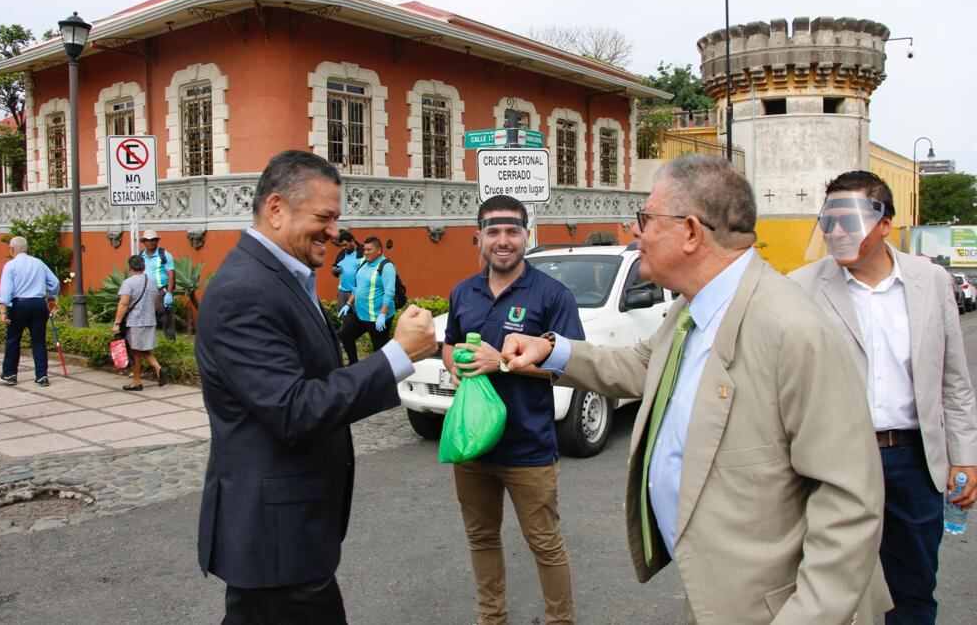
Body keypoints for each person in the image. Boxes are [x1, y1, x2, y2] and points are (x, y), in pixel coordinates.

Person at [502, 155, 891, 623]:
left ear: (689, 232)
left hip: (777, 608)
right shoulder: (693, 308)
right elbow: (647, 364)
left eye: (645, 219)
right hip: (719, 597)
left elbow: (849, 503)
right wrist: (552, 352)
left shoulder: (792, 328)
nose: (633, 232)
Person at [195, 149, 436, 623]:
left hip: (282, 535)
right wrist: (397, 355)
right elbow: (293, 409)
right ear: (277, 209)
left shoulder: (283, 277)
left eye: (336, 218)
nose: (334, 231)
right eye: (324, 217)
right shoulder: (246, 289)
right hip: (275, 537)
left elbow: (315, 380)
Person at [790, 170, 977, 624]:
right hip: (835, 463)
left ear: (884, 223)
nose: (835, 231)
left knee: (913, 590)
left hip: (914, 461)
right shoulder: (800, 287)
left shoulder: (929, 281)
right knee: (828, 590)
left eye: (848, 220)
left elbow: (954, 380)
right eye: (827, 220)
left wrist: (964, 456)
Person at [445, 195, 584, 625]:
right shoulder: (463, 292)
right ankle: (492, 619)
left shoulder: (552, 294)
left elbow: (572, 366)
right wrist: (456, 366)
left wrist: (503, 363)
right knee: (481, 538)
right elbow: (450, 343)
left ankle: (561, 620)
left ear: (527, 236)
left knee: (544, 543)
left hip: (529, 447)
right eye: (493, 232)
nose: (502, 241)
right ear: (479, 239)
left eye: (511, 232)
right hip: (472, 445)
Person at [0, 236, 60, 387]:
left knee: (13, 340)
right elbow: (55, 282)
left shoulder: (10, 266)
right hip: (38, 304)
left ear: (12, 249)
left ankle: (9, 374)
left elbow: (6, 290)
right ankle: (42, 376)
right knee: (38, 341)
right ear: (26, 248)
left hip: (20, 304)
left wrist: (2, 310)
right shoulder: (38, 263)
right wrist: (51, 298)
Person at [112, 254, 167, 391]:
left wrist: (117, 323)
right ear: (143, 267)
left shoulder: (128, 283)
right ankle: (158, 368)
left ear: (129, 267)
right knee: (143, 349)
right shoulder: (151, 281)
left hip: (135, 322)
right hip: (150, 320)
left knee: (134, 352)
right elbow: (155, 302)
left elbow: (124, 303)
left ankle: (137, 381)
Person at [337, 236, 396, 364]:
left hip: (377, 317)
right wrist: (348, 304)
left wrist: (382, 314)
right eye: (365, 249)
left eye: (369, 249)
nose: (366, 252)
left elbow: (389, 293)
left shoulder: (386, 266)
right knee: (345, 334)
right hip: (361, 315)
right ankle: (354, 364)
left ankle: (385, 376)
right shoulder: (364, 263)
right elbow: (357, 287)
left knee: (380, 352)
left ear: (379, 250)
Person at [139, 230, 177, 340]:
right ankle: (146, 344)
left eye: (153, 240)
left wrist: (169, 293)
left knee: (166, 318)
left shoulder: (164, 255)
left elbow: (171, 274)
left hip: (161, 290)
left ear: (157, 241)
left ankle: (171, 344)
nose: (151, 243)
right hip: (145, 291)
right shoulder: (140, 255)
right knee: (146, 318)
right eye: (148, 240)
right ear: (144, 242)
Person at [331, 230, 363, 311]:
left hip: (357, 292)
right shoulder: (342, 253)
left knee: (358, 318)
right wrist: (334, 271)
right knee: (343, 318)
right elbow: (334, 269)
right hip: (342, 292)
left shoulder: (363, 252)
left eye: (345, 245)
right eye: (342, 246)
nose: (343, 248)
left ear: (352, 241)